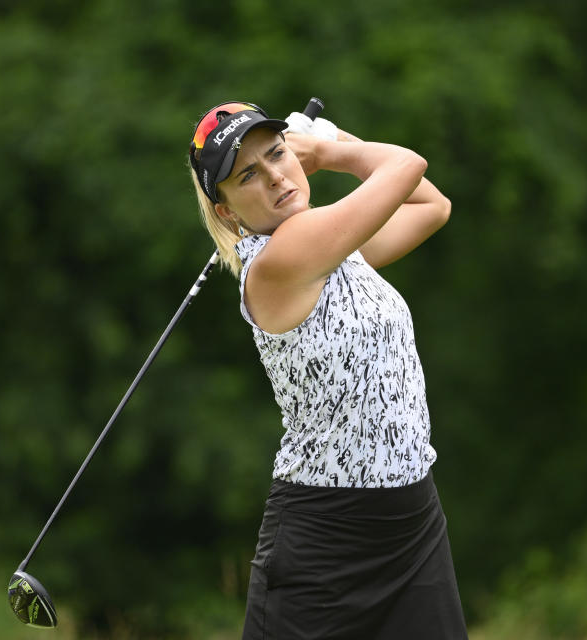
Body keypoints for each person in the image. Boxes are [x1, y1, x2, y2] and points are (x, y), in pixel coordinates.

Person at [187, 101, 467, 639]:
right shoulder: (281, 259)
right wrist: (325, 152)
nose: (274, 176)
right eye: (249, 175)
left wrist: (323, 149)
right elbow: (407, 165)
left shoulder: (338, 249)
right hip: (326, 542)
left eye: (276, 154)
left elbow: (433, 205)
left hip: (412, 524)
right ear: (226, 211)